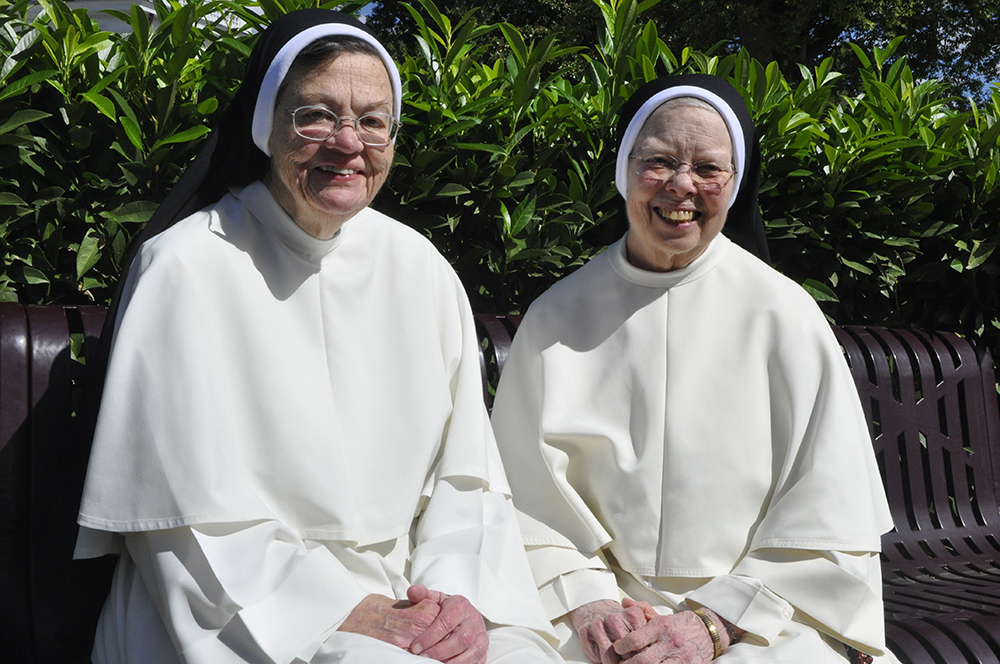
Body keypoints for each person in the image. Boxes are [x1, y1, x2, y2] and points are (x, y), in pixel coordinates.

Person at [74, 9, 559, 664]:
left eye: (372, 120)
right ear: (266, 126)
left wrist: (453, 603)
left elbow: (466, 484)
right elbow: (181, 525)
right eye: (316, 115)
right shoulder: (188, 267)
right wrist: (344, 608)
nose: (347, 142)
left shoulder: (423, 272)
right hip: (231, 608)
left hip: (406, 595)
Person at [490, 74, 900, 664]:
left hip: (760, 612)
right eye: (658, 161)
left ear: (735, 184)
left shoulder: (783, 312)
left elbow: (826, 520)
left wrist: (712, 622)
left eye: (708, 168)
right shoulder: (556, 313)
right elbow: (525, 504)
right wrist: (588, 602)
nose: (682, 186)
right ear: (623, 170)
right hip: (596, 611)